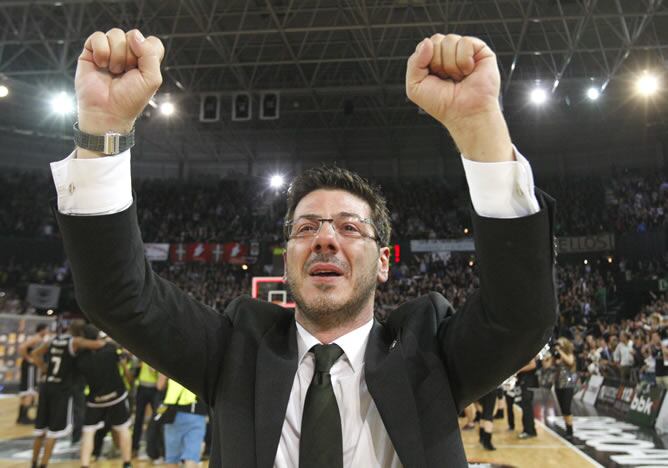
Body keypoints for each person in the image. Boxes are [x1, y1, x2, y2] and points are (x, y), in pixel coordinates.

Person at [51, 29, 556, 466]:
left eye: (350, 228)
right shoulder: (234, 348)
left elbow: (520, 316)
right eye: (306, 227)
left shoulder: (428, 348)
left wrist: (481, 131)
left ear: (384, 262)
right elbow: (118, 296)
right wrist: (103, 132)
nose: (325, 238)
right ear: (287, 259)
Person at [29, 320, 105, 468]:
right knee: (53, 432)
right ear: (80, 331)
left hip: (46, 386)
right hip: (61, 389)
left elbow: (34, 354)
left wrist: (45, 368)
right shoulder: (75, 341)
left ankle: (33, 463)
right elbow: (98, 345)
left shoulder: (53, 339)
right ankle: (43, 464)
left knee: (40, 430)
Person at [75, 324, 133, 468]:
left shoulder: (80, 357)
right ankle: (127, 462)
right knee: (123, 428)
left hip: (96, 399)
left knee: (88, 432)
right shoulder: (110, 349)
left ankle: (85, 464)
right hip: (116, 396)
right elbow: (120, 353)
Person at [156, 374, 208, 468]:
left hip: (172, 413)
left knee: (172, 458)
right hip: (196, 412)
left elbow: (160, 385)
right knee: (191, 457)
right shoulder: (204, 360)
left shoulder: (171, 361)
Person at [545, 337, 577, 439]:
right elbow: (546, 366)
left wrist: (560, 352)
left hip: (568, 384)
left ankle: (570, 431)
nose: (558, 346)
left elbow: (570, 362)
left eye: (560, 344)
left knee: (567, 408)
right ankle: (567, 429)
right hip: (558, 385)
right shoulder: (556, 356)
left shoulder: (569, 354)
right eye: (557, 344)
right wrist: (549, 356)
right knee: (563, 408)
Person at [17, 324, 49, 424]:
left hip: (29, 366)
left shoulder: (38, 339)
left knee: (26, 391)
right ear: (42, 330)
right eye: (46, 329)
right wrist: (29, 359)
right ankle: (24, 417)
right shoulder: (37, 338)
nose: (47, 331)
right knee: (30, 391)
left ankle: (21, 417)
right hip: (30, 367)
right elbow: (22, 347)